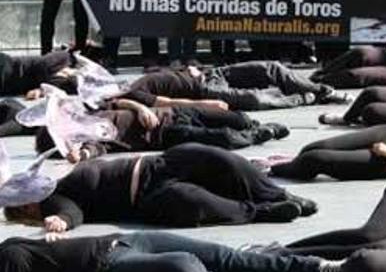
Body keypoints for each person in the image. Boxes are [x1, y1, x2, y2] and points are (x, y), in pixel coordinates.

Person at [3, 143, 317, 230]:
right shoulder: (56, 201)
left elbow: (100, 146)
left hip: (158, 164)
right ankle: (263, 212)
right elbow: (71, 212)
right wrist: (62, 221)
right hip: (148, 197)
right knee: (190, 200)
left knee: (217, 157)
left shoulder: (60, 177)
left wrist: (85, 150)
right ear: (27, 207)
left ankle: (278, 193)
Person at [0, 231, 333, 272]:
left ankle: (320, 270)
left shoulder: (9, 246)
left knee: (226, 258)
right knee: (184, 267)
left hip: (129, 241)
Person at [34, 99, 290, 159]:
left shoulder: (90, 112)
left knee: (236, 118)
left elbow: (119, 99)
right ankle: (261, 133)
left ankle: (253, 126)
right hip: (164, 134)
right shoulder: (93, 140)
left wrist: (140, 109)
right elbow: (95, 149)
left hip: (170, 113)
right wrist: (81, 154)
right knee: (222, 138)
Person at [120, 61, 351, 111]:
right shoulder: (136, 94)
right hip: (204, 91)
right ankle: (307, 98)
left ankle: (322, 90)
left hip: (209, 74)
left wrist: (191, 68)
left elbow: (173, 72)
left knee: (271, 68)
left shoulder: (138, 81)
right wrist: (206, 104)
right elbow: (169, 102)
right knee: (254, 100)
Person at [0, 50, 78, 97]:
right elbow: (43, 66)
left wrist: (41, 90)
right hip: (7, 67)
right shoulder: (64, 58)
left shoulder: (57, 83)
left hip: (8, 85)